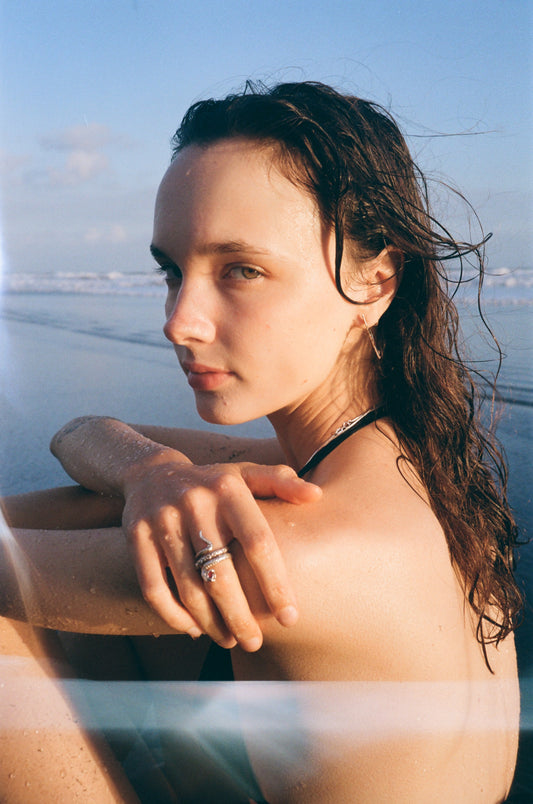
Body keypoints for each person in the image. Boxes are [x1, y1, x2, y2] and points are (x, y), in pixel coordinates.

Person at [0, 81, 522, 802]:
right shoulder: (390, 462)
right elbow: (80, 432)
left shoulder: (302, 549)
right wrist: (148, 471)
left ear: (375, 278)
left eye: (240, 270)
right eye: (172, 271)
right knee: (134, 512)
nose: (179, 321)